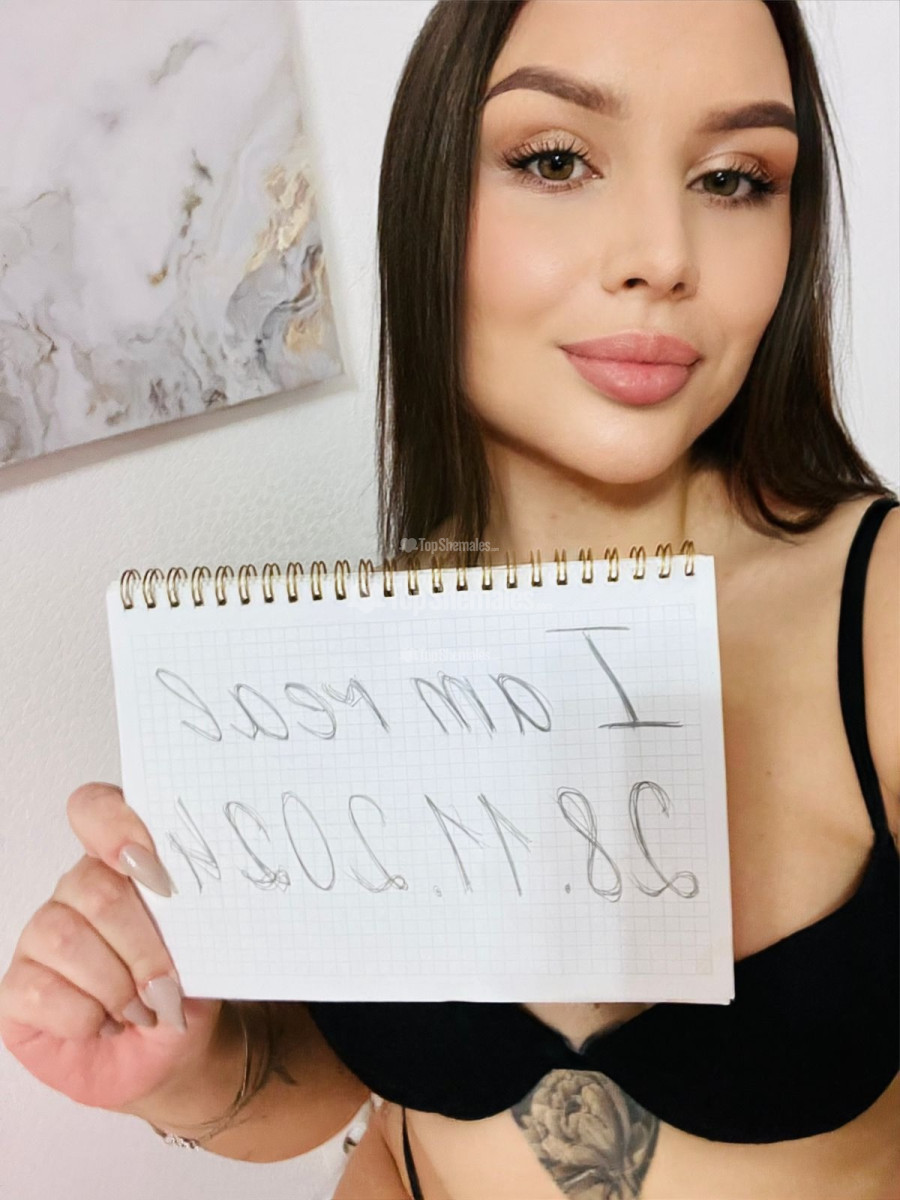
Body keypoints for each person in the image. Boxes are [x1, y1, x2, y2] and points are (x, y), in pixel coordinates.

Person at [1, 1, 897, 1197]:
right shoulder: (339, 671)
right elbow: (353, 1090)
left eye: (735, 177)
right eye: (557, 160)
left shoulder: (881, 618)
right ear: (427, 198)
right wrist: (180, 1059)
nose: (663, 253)